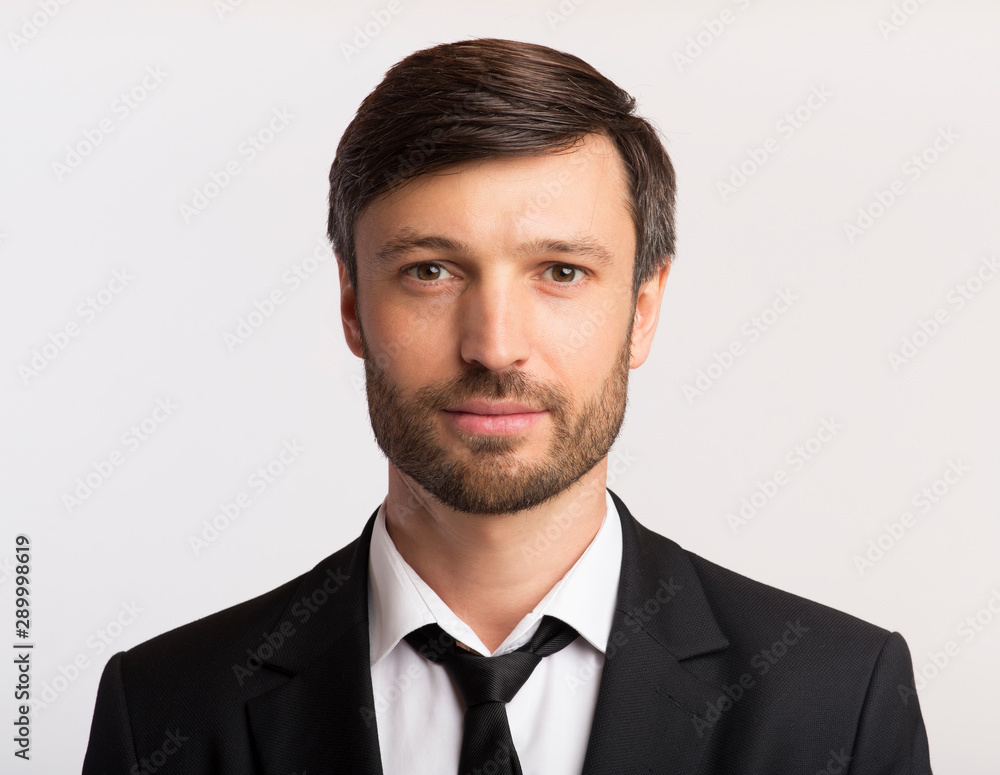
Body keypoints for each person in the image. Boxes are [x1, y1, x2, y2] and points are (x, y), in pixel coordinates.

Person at [82, 37, 933, 775]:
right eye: (430, 270)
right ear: (351, 304)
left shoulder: (836, 699)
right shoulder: (165, 709)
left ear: (642, 310)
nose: (494, 345)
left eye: (561, 271)